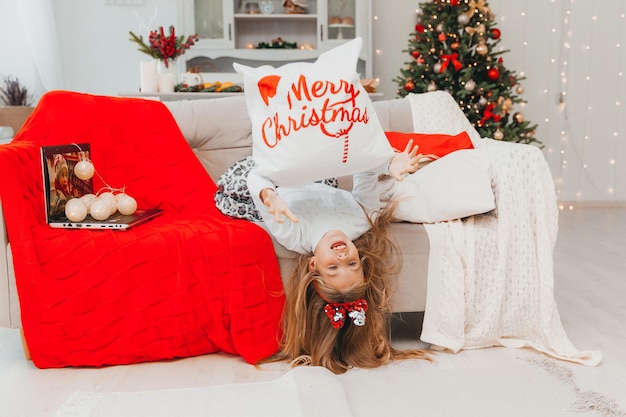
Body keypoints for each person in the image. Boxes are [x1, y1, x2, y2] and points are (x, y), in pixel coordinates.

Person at [247, 140, 433, 374]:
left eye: (334, 267)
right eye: (352, 263)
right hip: (319, 172)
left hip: (282, 172)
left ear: (313, 264)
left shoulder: (293, 234)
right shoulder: (364, 220)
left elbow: (255, 176)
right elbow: (365, 168)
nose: (343, 255)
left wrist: (268, 194)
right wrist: (389, 166)